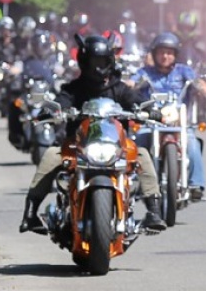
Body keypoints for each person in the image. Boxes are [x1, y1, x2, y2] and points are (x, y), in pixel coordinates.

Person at [19, 34, 167, 234]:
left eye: (102, 60)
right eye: (93, 61)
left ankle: (154, 212)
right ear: (84, 61)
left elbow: (135, 100)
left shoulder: (119, 88)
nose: (98, 66)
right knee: (51, 156)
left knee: (142, 155)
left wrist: (146, 109)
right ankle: (30, 214)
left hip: (117, 146)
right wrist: (52, 110)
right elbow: (62, 100)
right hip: (77, 145)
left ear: (110, 60)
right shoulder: (74, 88)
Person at [135, 32, 206, 201]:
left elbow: (204, 87)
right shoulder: (145, 72)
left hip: (178, 120)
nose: (165, 56)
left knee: (192, 143)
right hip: (151, 119)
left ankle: (196, 184)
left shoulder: (184, 71)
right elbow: (130, 85)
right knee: (138, 143)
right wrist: (132, 85)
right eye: (161, 52)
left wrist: (199, 86)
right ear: (154, 54)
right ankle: (134, 182)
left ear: (175, 55)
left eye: (169, 53)